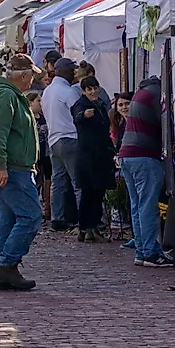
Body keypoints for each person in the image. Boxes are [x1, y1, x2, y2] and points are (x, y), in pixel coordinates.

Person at [0, 54, 46, 291]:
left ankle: (4, 268)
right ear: (24, 76)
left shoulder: (9, 95)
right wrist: (0, 166)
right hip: (13, 168)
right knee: (31, 215)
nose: (32, 82)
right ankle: (7, 265)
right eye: (31, 77)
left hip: (13, 166)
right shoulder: (7, 95)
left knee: (8, 220)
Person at [119, 73, 170, 265]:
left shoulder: (142, 91)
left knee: (137, 205)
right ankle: (150, 253)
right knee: (148, 205)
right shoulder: (158, 93)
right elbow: (168, 126)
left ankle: (142, 250)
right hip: (145, 155)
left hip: (127, 153)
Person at [71, 76, 117, 242]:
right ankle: (84, 228)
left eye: (94, 88)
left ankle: (93, 226)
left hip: (101, 156)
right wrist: (83, 116)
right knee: (88, 192)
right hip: (88, 157)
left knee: (98, 192)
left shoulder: (101, 105)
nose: (93, 91)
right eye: (89, 89)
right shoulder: (81, 105)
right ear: (84, 91)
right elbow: (76, 116)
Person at [41, 57, 82, 231]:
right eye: (71, 69)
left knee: (58, 181)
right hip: (70, 138)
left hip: (54, 139)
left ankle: (57, 217)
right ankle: (83, 220)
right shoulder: (69, 91)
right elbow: (78, 113)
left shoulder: (48, 91)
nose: (74, 72)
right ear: (64, 71)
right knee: (77, 182)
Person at [26, 91, 52, 223]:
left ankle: (47, 208)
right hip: (33, 154)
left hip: (45, 153)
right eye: (38, 101)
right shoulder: (27, 118)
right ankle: (32, 209)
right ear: (30, 103)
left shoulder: (43, 117)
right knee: (35, 182)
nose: (41, 104)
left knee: (47, 180)